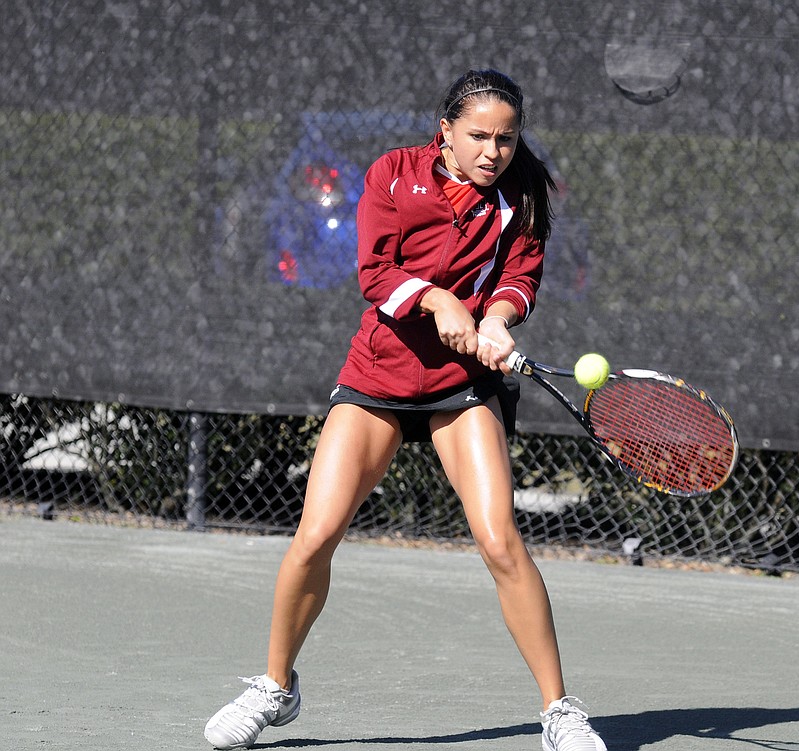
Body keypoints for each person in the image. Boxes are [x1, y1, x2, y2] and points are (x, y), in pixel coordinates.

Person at [204, 69, 607, 751]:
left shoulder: (522, 198)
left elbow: (520, 279)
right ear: (444, 129)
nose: (493, 151)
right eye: (478, 135)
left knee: (500, 539)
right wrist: (441, 301)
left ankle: (560, 711)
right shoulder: (393, 173)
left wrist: (500, 318)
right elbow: (375, 270)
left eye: (506, 139)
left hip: (462, 384)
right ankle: (275, 687)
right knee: (316, 534)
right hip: (378, 376)